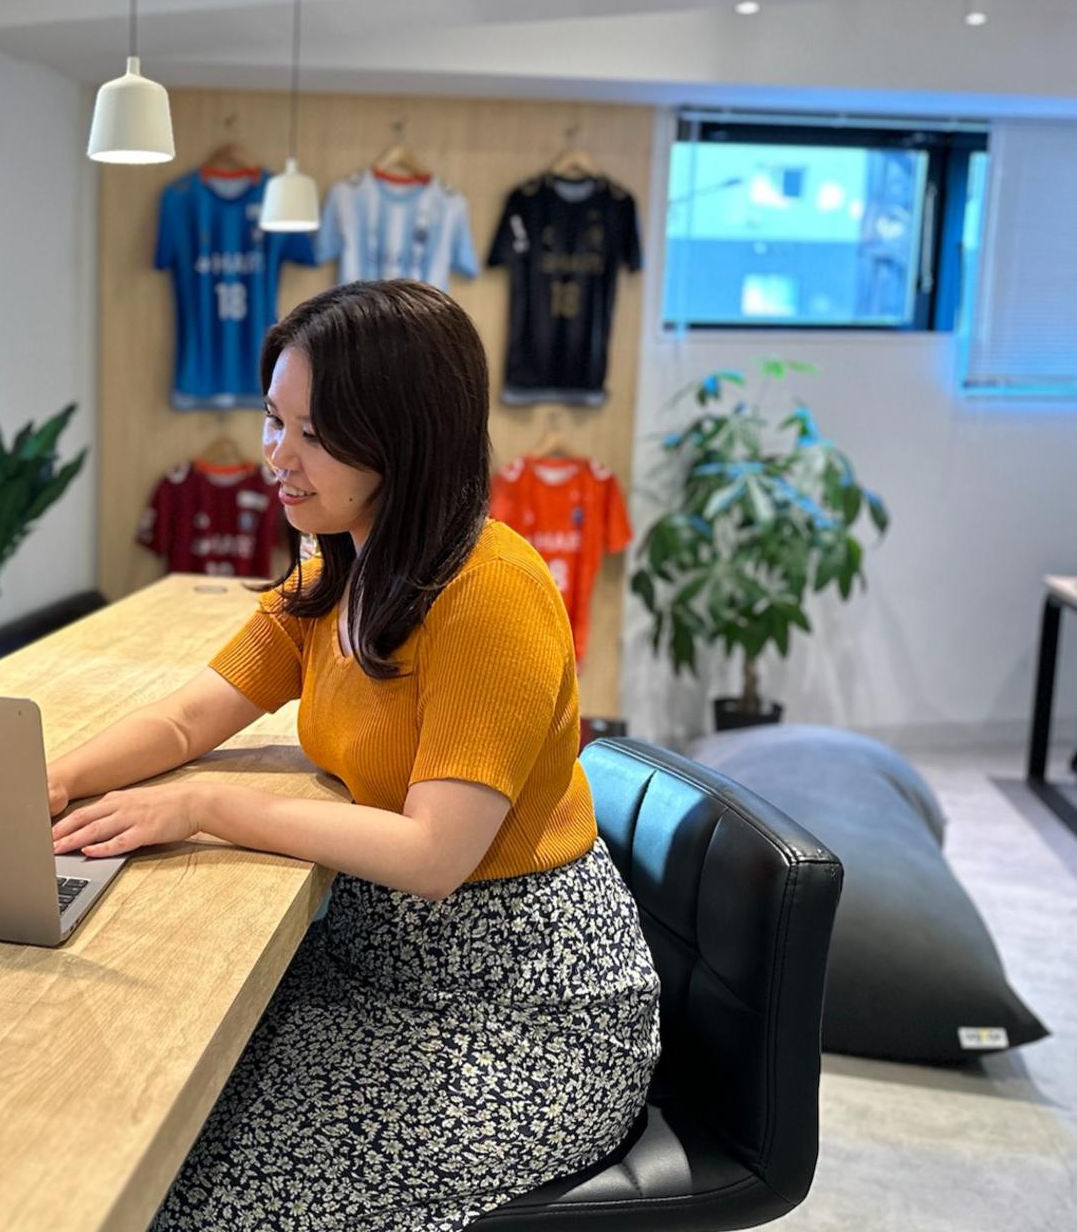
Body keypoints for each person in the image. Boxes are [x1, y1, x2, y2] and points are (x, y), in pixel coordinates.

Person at [48, 279, 661, 1229]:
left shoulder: (490, 589)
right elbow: (186, 720)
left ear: (404, 438)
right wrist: (47, 781)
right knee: (123, 1111)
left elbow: (435, 854)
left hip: (522, 1010)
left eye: (316, 434)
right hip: (376, 966)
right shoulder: (339, 567)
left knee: (187, 1191)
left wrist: (206, 806)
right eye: (274, 419)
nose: (277, 455)